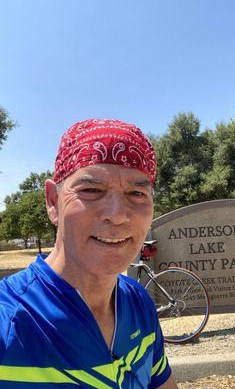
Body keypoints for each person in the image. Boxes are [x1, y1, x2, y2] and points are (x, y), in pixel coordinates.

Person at [0, 119, 178, 388]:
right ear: (53, 201)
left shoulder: (138, 302)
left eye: (137, 193)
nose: (117, 215)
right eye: (92, 190)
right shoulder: (9, 322)